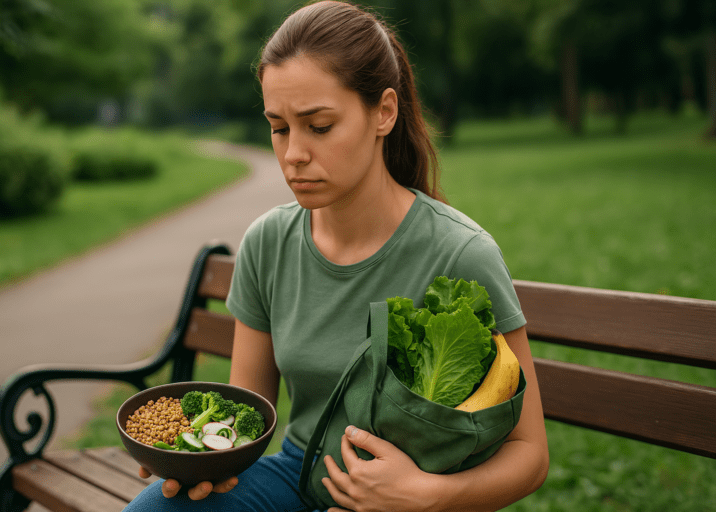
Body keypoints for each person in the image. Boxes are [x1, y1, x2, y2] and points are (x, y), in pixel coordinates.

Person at [123, 1, 549, 511]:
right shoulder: (269, 242)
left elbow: (530, 454)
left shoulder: (459, 255)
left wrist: (427, 496)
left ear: (384, 113)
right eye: (279, 128)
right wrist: (193, 458)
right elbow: (245, 425)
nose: (293, 154)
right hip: (296, 479)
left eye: (318, 126)